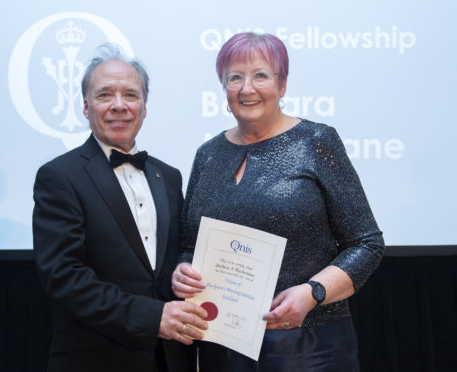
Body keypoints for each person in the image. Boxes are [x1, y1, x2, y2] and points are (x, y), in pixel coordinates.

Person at [171, 32, 385, 371]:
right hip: (223, 345)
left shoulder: (317, 141)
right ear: (223, 87)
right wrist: (182, 270)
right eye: (235, 77)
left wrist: (312, 292)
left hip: (309, 344)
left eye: (260, 75)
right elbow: (188, 245)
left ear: (282, 85)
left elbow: (367, 243)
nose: (247, 88)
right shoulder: (208, 154)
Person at [33, 43, 208, 372]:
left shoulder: (168, 176)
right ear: (86, 107)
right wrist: (153, 317)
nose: (118, 106)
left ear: (144, 106)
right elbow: (63, 277)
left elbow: (171, 263)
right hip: (96, 358)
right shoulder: (59, 176)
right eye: (104, 95)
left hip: (170, 359)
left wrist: (184, 272)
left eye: (130, 94)